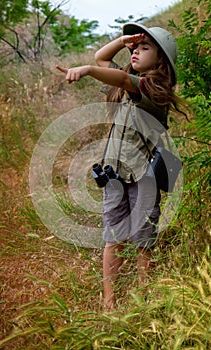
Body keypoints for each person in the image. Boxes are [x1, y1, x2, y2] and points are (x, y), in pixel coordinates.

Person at [57, 22, 184, 311]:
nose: (136, 51)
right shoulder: (126, 82)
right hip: (114, 174)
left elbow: (114, 75)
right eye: (135, 48)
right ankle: (109, 301)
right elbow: (103, 59)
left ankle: (143, 298)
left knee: (142, 239)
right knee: (113, 237)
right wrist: (122, 40)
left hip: (143, 177)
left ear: (161, 59)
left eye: (145, 47)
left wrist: (87, 70)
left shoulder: (154, 89)